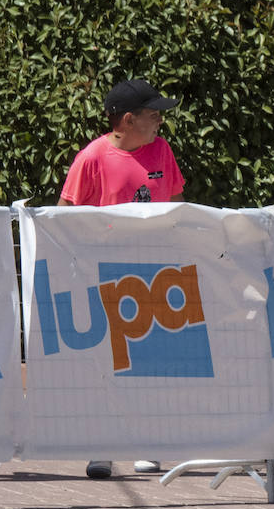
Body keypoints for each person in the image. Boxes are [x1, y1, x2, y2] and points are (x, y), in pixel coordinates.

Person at [59, 78, 186, 479]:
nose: (160, 122)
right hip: (105, 278)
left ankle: (147, 444)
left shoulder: (162, 150)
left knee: (152, 362)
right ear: (128, 120)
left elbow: (178, 205)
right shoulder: (91, 158)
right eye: (153, 116)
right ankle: (102, 448)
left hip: (155, 274)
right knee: (105, 365)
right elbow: (63, 216)